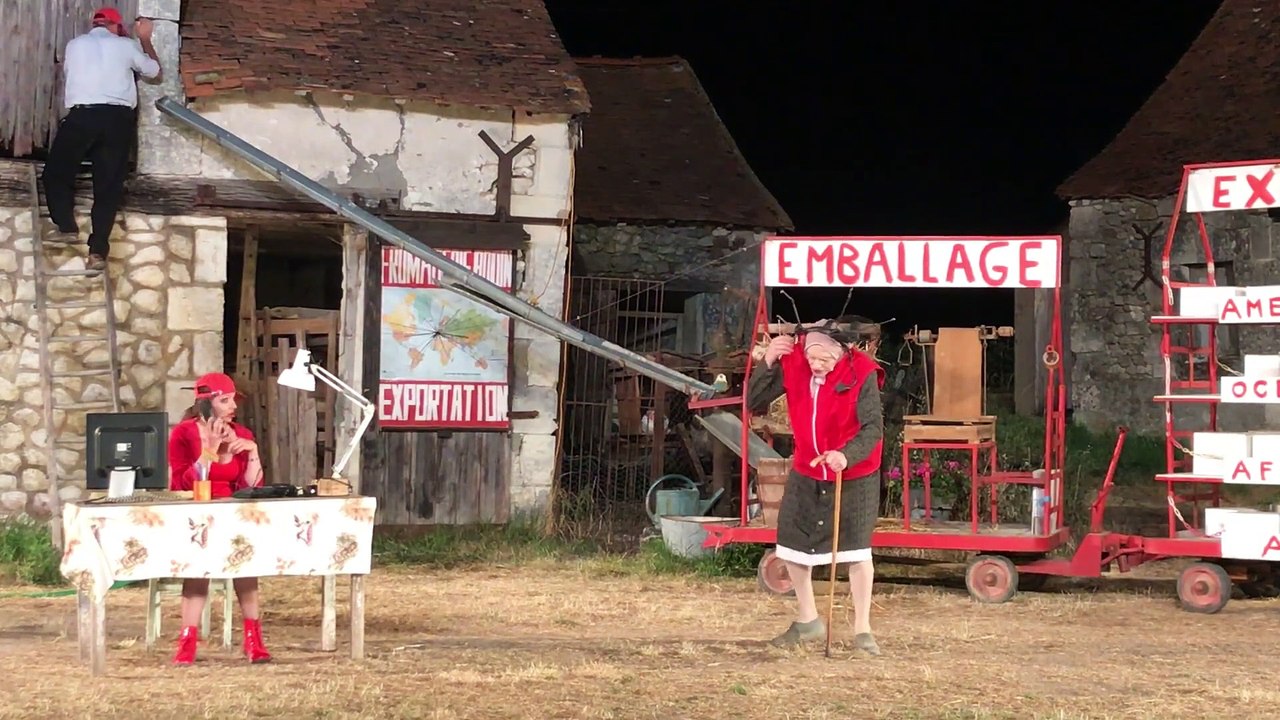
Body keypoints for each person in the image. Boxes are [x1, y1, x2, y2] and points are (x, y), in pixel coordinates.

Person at [747, 325, 886, 655]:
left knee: (855, 551)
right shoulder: (796, 362)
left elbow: (873, 428)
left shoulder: (862, 372)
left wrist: (845, 455)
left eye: (824, 358)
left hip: (853, 473)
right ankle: (809, 619)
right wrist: (767, 362)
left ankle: (863, 630)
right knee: (792, 542)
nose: (816, 364)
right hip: (808, 468)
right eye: (812, 356)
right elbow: (754, 401)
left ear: (839, 355)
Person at [42, 7, 162, 274]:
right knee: (107, 187)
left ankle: (66, 226)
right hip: (117, 120)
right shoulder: (126, 45)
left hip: (83, 116)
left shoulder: (74, 45)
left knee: (56, 173)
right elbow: (154, 71)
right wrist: (144, 38)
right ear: (117, 26)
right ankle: (97, 251)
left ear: (94, 24)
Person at [167, 372, 272, 665]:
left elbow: (254, 487)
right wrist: (210, 451)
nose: (232, 406)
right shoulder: (184, 434)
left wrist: (252, 452)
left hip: (232, 512)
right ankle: (187, 641)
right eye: (224, 401)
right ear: (207, 404)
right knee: (198, 569)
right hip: (196, 512)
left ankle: (254, 639)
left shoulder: (242, 434)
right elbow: (183, 484)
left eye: (232, 400)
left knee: (246, 563)